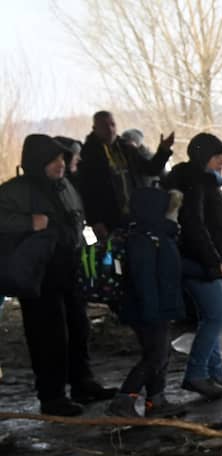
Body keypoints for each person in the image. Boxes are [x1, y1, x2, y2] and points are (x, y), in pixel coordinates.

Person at [0, 135, 116, 415]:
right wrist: (29, 222)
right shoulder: (16, 190)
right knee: (48, 335)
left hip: (69, 267)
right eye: (53, 160)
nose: (60, 164)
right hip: (39, 274)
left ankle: (82, 383)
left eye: (62, 159)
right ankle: (51, 397)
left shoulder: (65, 186)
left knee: (78, 327)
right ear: (38, 162)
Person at [165, 132, 222, 401]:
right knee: (218, 316)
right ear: (203, 156)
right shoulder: (196, 182)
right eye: (217, 156)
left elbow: (207, 221)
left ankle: (215, 372)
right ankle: (197, 374)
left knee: (210, 316)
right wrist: (213, 260)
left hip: (199, 258)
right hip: (200, 261)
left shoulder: (200, 181)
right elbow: (194, 226)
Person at [107, 187, 188, 418]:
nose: (173, 214)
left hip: (156, 306)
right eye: (169, 210)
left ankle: (156, 400)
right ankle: (125, 398)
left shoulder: (159, 236)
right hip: (149, 309)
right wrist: (153, 312)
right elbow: (144, 280)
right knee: (156, 355)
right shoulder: (144, 240)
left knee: (160, 354)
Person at [78, 111, 173, 239]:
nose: (110, 129)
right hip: (108, 221)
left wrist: (163, 150)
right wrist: (95, 221)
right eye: (104, 126)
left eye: (112, 124)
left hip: (136, 215)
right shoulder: (87, 155)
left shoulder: (127, 149)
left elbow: (151, 169)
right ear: (95, 129)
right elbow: (86, 193)